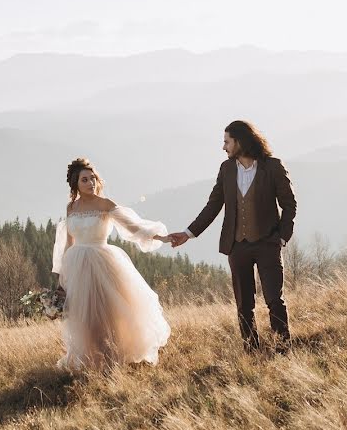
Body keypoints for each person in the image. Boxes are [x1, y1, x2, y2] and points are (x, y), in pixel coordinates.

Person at [166, 120, 297, 352]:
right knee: (244, 305)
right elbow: (213, 205)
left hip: (268, 244)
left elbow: (289, 204)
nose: (224, 147)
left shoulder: (273, 167)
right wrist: (188, 233)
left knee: (275, 300)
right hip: (237, 246)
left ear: (240, 141)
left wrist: (282, 237)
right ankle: (251, 350)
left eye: (227, 141)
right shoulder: (226, 170)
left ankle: (283, 348)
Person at [51, 158, 171, 370]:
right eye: (85, 180)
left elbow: (133, 227)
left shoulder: (105, 205)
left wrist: (160, 237)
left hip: (103, 263)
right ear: (76, 185)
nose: (91, 183)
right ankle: (92, 360)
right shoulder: (72, 208)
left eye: (93, 178)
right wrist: (62, 278)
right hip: (77, 266)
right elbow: (68, 244)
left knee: (107, 316)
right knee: (84, 319)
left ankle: (110, 360)